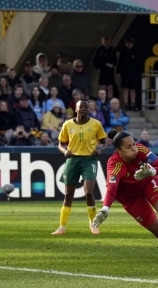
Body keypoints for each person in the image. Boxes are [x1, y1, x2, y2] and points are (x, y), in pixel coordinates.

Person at [92, 131, 158, 259]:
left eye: (133, 144)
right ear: (118, 150)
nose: (134, 149)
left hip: (147, 182)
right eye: (128, 147)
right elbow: (111, 188)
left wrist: (152, 172)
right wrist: (106, 208)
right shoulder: (114, 164)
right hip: (130, 199)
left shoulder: (140, 149)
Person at [52, 100, 107, 235]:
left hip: (89, 160)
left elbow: (105, 142)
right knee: (68, 194)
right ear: (75, 109)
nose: (83, 109)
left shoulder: (96, 124)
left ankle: (93, 224)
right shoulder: (68, 124)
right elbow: (60, 144)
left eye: (86, 107)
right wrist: (64, 151)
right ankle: (62, 227)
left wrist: (100, 149)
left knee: (89, 192)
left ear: (89, 110)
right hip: (72, 160)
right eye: (80, 107)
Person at [117, 37, 142, 111]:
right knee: (125, 88)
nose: (129, 44)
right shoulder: (123, 52)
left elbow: (139, 64)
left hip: (133, 73)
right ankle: (126, 104)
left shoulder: (136, 52)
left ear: (133, 44)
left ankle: (133, 104)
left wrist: (140, 72)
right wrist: (118, 71)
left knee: (132, 89)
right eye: (127, 43)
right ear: (125, 44)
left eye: (130, 43)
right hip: (125, 73)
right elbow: (120, 63)